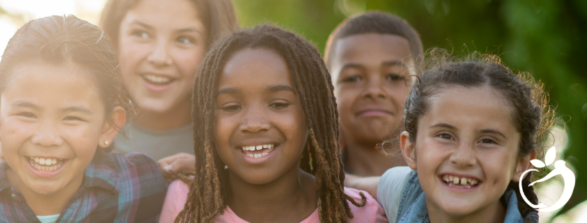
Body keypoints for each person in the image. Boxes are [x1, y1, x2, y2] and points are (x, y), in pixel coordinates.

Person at [0, 15, 167, 223]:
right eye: (27, 114)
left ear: (108, 126)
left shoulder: (142, 185)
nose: (46, 138)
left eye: (72, 118)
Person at [159, 25, 383, 223]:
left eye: (278, 104)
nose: (254, 124)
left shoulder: (361, 214)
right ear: (207, 120)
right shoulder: (185, 202)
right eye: (231, 107)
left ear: (311, 113)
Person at [376, 52, 546, 223]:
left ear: (522, 164)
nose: (463, 158)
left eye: (488, 140)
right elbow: (366, 183)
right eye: (445, 136)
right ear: (411, 150)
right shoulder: (405, 193)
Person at [98, 0, 238, 166]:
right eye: (141, 34)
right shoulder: (78, 134)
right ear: (113, 39)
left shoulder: (240, 145)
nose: (159, 58)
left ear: (213, 49)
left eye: (184, 39)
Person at [324, 11, 423, 177]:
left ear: (420, 87)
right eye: (353, 78)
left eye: (394, 76)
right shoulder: (307, 194)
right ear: (327, 90)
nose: (374, 91)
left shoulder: (451, 183)